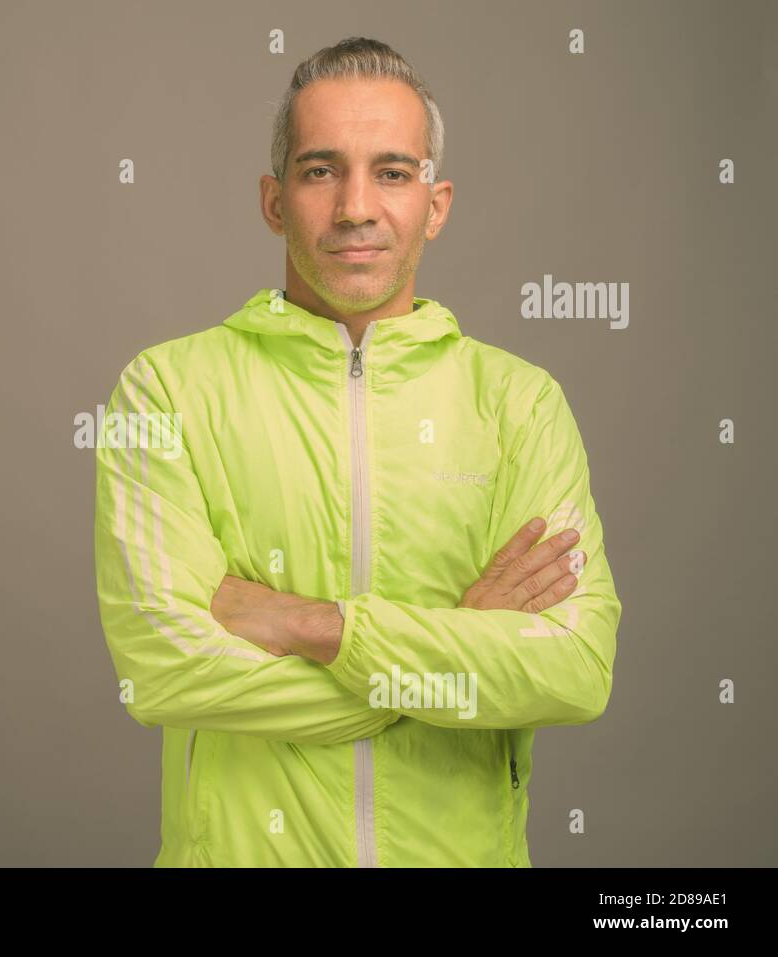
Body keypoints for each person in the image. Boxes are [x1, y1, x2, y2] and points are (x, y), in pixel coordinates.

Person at [92, 36, 621, 867]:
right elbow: (164, 674)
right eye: (320, 170)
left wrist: (317, 626)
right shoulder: (167, 392)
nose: (355, 207)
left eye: (393, 172)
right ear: (274, 201)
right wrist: (454, 651)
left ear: (436, 204)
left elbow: (576, 669)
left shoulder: (520, 404)